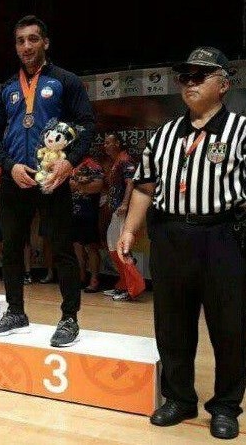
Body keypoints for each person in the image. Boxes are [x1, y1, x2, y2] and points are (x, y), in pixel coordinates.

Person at [117, 47, 245, 440]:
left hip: (223, 236)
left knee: (230, 327)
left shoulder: (241, 130)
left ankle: (225, 406)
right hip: (170, 237)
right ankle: (179, 398)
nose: (189, 83)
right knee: (172, 324)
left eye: (199, 76)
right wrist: (129, 229)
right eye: (185, 77)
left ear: (223, 85)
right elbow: (144, 186)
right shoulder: (164, 135)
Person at [0, 15, 95, 346]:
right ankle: (15, 312)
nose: (26, 46)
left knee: (62, 248)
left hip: (52, 178)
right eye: (20, 41)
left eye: (33, 39)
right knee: (12, 248)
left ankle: (69, 318)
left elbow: (87, 125)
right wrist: (8, 166)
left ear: (45, 42)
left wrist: (68, 163)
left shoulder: (66, 81)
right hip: (15, 178)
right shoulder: (6, 89)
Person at [102, 133, 145, 301]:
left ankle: (133, 287)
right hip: (116, 210)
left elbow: (131, 183)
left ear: (118, 143)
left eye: (108, 142)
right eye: (105, 143)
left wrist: (126, 203)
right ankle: (123, 284)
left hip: (122, 211)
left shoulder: (125, 160)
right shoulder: (116, 161)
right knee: (113, 246)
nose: (105, 145)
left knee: (121, 248)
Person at [69, 156, 104, 292]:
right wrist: (80, 186)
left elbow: (97, 186)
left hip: (89, 213)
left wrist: (78, 186)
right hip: (74, 212)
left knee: (91, 247)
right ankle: (81, 277)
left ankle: (94, 280)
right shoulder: (71, 165)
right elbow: (68, 185)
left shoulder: (94, 165)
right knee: (76, 246)